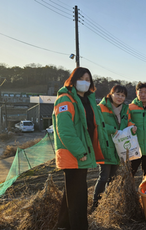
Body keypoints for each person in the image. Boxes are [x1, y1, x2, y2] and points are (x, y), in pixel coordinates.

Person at [53, 67, 109, 230]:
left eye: (88, 79)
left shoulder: (88, 100)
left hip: (82, 153)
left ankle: (63, 225)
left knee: (71, 194)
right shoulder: (65, 100)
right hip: (74, 155)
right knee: (78, 198)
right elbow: (65, 130)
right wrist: (81, 152)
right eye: (81, 78)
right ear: (73, 80)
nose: (85, 82)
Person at [92, 85, 137, 209]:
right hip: (105, 146)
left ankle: (108, 202)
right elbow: (98, 125)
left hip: (119, 147)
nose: (120, 97)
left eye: (123, 95)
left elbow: (128, 121)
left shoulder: (125, 109)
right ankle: (95, 205)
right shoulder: (100, 108)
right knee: (104, 176)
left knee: (113, 177)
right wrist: (113, 130)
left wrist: (132, 126)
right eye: (117, 94)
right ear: (110, 94)